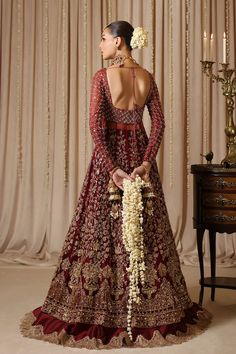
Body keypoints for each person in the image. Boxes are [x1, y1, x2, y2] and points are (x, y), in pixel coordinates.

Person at [20, 20, 212, 349]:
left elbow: (96, 127)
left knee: (99, 226)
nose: (100, 45)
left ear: (119, 41)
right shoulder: (147, 78)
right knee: (146, 230)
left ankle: (99, 309)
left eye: (103, 39)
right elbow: (160, 124)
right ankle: (150, 308)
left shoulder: (101, 77)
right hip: (138, 152)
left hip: (110, 157)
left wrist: (112, 169)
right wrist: (145, 163)